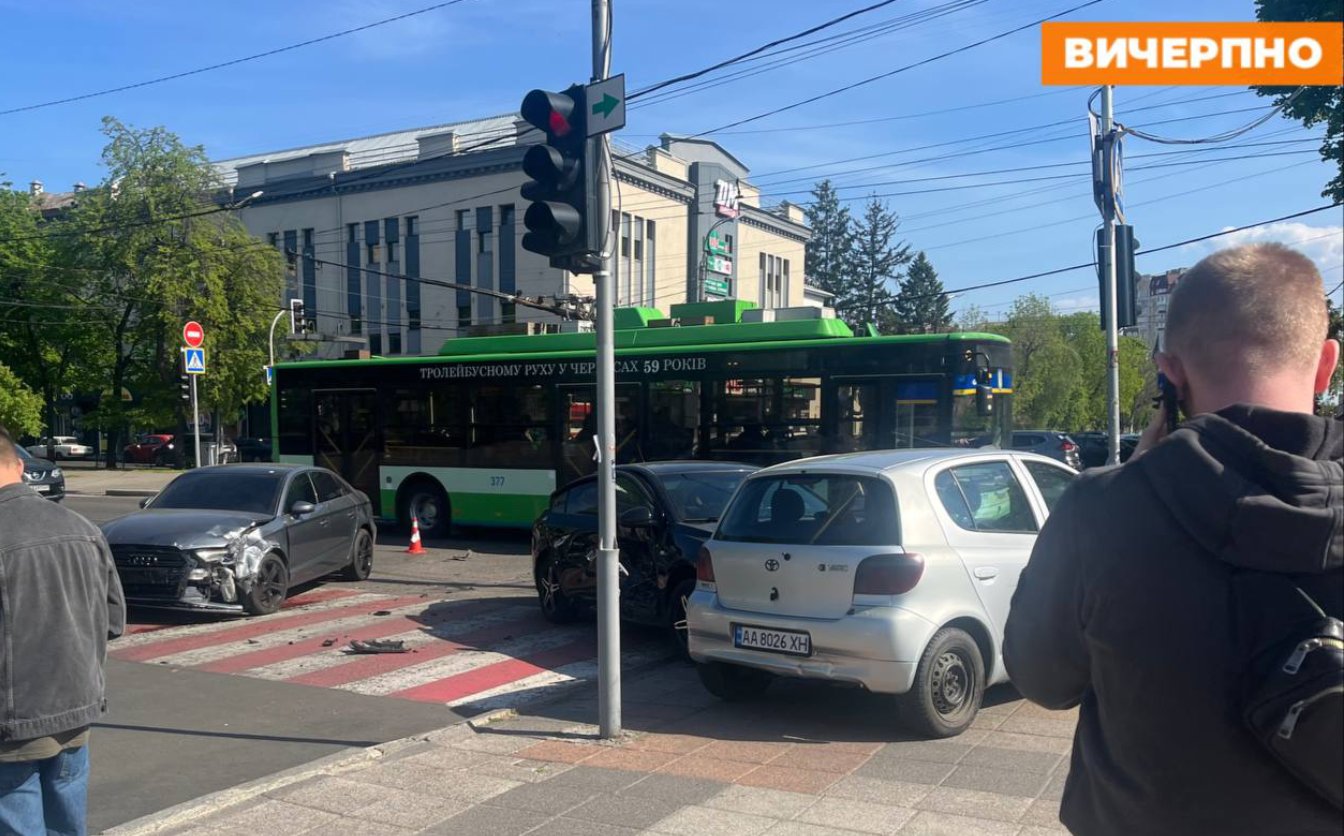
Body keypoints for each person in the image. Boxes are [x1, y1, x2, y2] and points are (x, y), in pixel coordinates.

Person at [1003, 244, 1342, 835]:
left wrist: (1131, 480)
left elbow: (1041, 679)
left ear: (1170, 373)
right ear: (1325, 364)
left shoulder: (1103, 509)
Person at [0, 424, 126, 835]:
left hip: (12, 724)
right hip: (77, 710)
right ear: (19, 466)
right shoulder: (84, 527)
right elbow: (113, 621)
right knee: (68, 823)